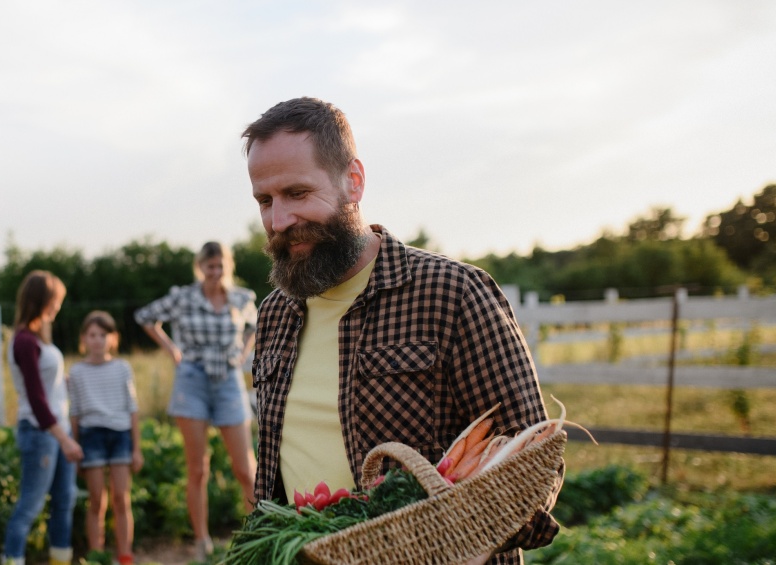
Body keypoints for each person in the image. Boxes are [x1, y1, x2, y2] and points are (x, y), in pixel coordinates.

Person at [241, 97, 561, 565]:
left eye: (297, 193)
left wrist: (448, 538)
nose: (279, 220)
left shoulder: (452, 294)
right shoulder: (274, 316)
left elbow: (535, 466)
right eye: (265, 201)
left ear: (353, 181)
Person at [134, 241, 258, 561]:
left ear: (227, 268)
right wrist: (172, 350)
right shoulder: (184, 297)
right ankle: (202, 541)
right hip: (192, 381)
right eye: (209, 266)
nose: (215, 273)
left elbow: (255, 328)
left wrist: (243, 354)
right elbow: (146, 317)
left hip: (228, 382)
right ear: (200, 267)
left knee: (245, 467)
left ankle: (259, 532)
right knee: (197, 469)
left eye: (220, 267)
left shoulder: (241, 298)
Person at [2, 270, 83, 565]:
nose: (58, 307)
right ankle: (12, 559)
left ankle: (60, 559)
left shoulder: (38, 337)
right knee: (30, 505)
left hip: (55, 429)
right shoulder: (24, 340)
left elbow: (47, 386)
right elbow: (36, 399)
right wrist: (65, 439)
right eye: (56, 300)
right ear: (42, 300)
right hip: (41, 432)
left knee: (65, 501)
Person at [68, 311, 144, 565]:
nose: (98, 340)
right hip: (91, 437)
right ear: (83, 339)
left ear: (113, 338)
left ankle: (125, 554)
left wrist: (137, 448)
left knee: (122, 498)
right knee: (97, 500)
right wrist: (76, 450)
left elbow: (132, 409)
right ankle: (96, 555)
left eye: (103, 335)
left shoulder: (122, 368)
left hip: (121, 435)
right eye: (92, 335)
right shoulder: (76, 372)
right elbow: (75, 414)